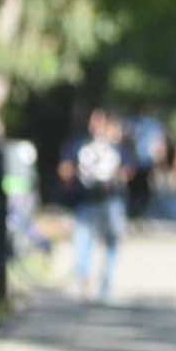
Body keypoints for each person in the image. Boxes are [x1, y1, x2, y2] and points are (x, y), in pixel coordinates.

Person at [59, 109, 132, 302]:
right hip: (87, 199)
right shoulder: (79, 143)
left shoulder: (116, 145)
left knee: (110, 242)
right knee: (84, 241)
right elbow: (65, 168)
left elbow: (127, 171)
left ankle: (104, 284)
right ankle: (85, 279)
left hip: (111, 200)